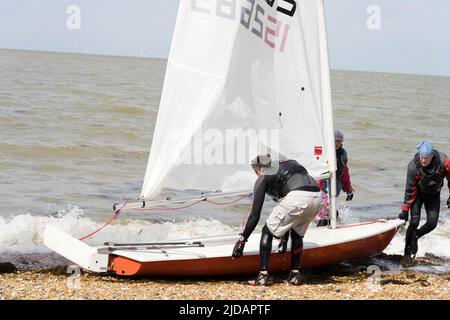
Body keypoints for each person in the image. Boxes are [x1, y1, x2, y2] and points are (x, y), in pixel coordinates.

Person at [231, 154, 322, 286]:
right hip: (317, 197)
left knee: (267, 231)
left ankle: (262, 276)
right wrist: (284, 238)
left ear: (258, 169)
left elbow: (254, 215)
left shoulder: (263, 176)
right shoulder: (291, 163)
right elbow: (290, 206)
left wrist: (242, 240)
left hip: (297, 197)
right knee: (297, 234)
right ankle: (295, 275)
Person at [398, 141, 450, 260]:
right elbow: (409, 190)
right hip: (418, 195)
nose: (423, 161)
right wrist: (405, 210)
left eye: (426, 158)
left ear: (432, 155)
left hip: (434, 194)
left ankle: (416, 235)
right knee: (414, 222)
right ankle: (407, 253)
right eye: (422, 157)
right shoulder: (413, 167)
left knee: (432, 223)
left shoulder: (443, 161)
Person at [316, 129, 354, 226]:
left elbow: (345, 173)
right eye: (335, 140)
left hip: (334, 187)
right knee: (328, 212)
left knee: (330, 212)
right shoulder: (324, 150)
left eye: (339, 141)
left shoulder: (342, 154)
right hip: (321, 186)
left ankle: (329, 227)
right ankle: (320, 229)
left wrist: (348, 189)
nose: (336, 143)